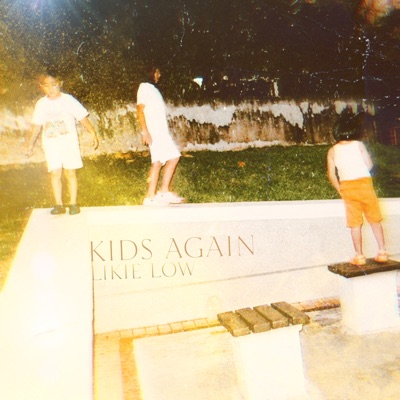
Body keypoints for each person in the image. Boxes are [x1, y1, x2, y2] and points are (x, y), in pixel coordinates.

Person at [27, 72, 99, 215]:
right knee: (55, 173)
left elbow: (82, 118)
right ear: (41, 87)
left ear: (60, 83)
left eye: (54, 85)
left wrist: (92, 133)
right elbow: (37, 126)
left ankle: (73, 203)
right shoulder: (41, 104)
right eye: (46, 85)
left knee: (70, 173)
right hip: (51, 145)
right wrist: (30, 144)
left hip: (69, 143)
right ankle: (58, 204)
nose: (51, 89)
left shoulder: (68, 100)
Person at [327, 113, 388, 266]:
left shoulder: (332, 151)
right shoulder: (359, 145)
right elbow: (370, 165)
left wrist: (340, 189)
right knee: (375, 220)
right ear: (354, 130)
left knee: (355, 224)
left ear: (336, 131)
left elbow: (332, 175)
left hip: (347, 188)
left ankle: (359, 255)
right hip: (365, 185)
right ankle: (382, 252)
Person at [136, 67, 184, 206]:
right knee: (157, 162)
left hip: (161, 132)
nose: (159, 74)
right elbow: (140, 111)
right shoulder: (144, 87)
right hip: (154, 132)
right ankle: (150, 197)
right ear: (151, 72)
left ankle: (163, 192)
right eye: (157, 72)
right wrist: (145, 132)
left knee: (173, 157)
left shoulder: (152, 88)